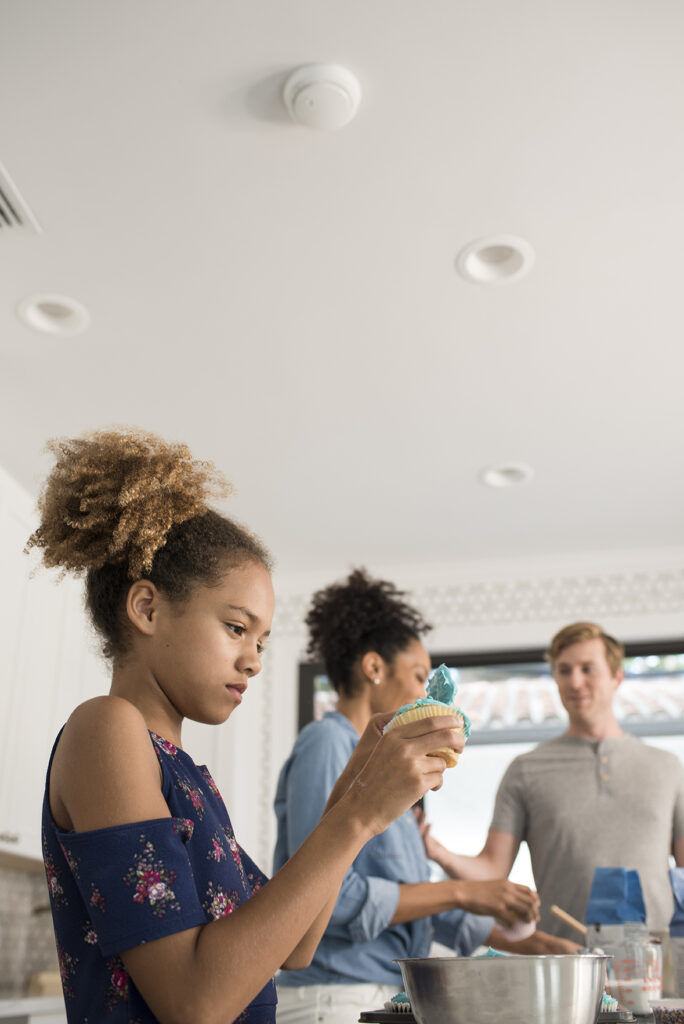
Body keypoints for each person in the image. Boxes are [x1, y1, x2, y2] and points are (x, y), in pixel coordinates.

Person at [30, 429, 466, 1024]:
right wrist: (359, 811)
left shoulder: (183, 773)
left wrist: (360, 781)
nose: (255, 659)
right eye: (237, 628)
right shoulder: (107, 730)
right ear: (147, 608)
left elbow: (295, 945)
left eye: (261, 641)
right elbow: (193, 1001)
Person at [273, 570, 577, 1024]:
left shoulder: (387, 774)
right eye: (419, 676)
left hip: (378, 995)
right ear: (374, 668)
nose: (425, 694)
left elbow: (415, 909)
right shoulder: (327, 743)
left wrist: (530, 944)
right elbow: (324, 896)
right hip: (332, 997)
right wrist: (462, 891)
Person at [420, 621, 684, 941]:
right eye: (564, 670)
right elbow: (492, 870)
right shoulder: (526, 770)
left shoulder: (668, 768)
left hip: (656, 966)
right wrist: (439, 853)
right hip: (567, 966)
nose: (575, 681)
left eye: (588, 669)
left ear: (617, 677)